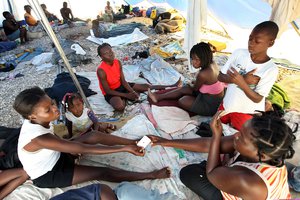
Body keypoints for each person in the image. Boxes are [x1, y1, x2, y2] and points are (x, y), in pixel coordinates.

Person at [13, 87, 171, 189]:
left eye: (53, 104)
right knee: (103, 172)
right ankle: (151, 175)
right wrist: (123, 149)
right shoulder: (37, 137)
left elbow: (65, 145)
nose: (55, 110)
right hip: (50, 174)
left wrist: (129, 145)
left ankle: (134, 142)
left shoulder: (39, 121)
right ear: (32, 116)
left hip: (57, 155)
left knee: (94, 134)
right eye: (48, 109)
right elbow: (81, 148)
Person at [148, 112, 295, 199]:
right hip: (241, 178)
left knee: (188, 173)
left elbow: (212, 173)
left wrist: (217, 136)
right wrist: (166, 142)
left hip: (246, 185)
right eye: (240, 131)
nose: (236, 135)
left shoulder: (250, 181)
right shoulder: (259, 148)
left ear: (261, 154)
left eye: (242, 137)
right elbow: (209, 144)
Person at [217, 21, 279, 131]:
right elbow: (220, 77)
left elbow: (257, 98)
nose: (251, 43)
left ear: (270, 43)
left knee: (241, 142)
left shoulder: (270, 69)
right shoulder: (239, 53)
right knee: (214, 130)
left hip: (246, 112)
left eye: (257, 41)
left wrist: (241, 83)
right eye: (250, 38)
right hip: (227, 106)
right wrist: (243, 79)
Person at [97, 43, 182, 111]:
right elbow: (107, 90)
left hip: (121, 86)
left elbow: (123, 81)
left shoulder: (117, 62)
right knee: (119, 107)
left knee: (146, 86)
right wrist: (127, 95)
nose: (110, 54)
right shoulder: (101, 70)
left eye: (111, 51)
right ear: (101, 57)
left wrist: (132, 92)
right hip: (111, 92)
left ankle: (172, 85)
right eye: (106, 53)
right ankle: (126, 97)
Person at [148, 42, 224, 116]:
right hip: (209, 97)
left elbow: (195, 89)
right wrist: (191, 84)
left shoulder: (203, 74)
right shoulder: (212, 63)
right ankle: (158, 97)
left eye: (197, 59)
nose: (193, 62)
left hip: (211, 106)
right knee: (185, 88)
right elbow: (206, 83)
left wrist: (191, 84)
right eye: (192, 59)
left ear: (204, 58)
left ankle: (160, 97)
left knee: (183, 100)